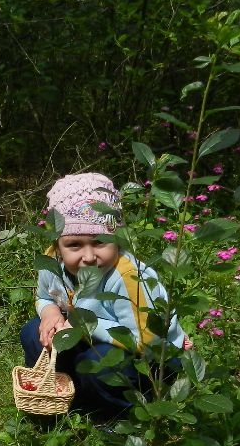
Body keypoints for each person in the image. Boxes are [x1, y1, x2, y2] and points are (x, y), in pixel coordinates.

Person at [20, 172, 190, 417]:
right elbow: (45, 296)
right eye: (74, 245)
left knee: (98, 364)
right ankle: (59, 393)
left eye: (100, 242)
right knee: (33, 332)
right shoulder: (52, 264)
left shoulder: (128, 277)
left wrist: (82, 323)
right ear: (58, 245)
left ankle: (124, 413)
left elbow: (146, 339)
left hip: (147, 356)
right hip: (92, 338)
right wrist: (50, 313)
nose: (89, 257)